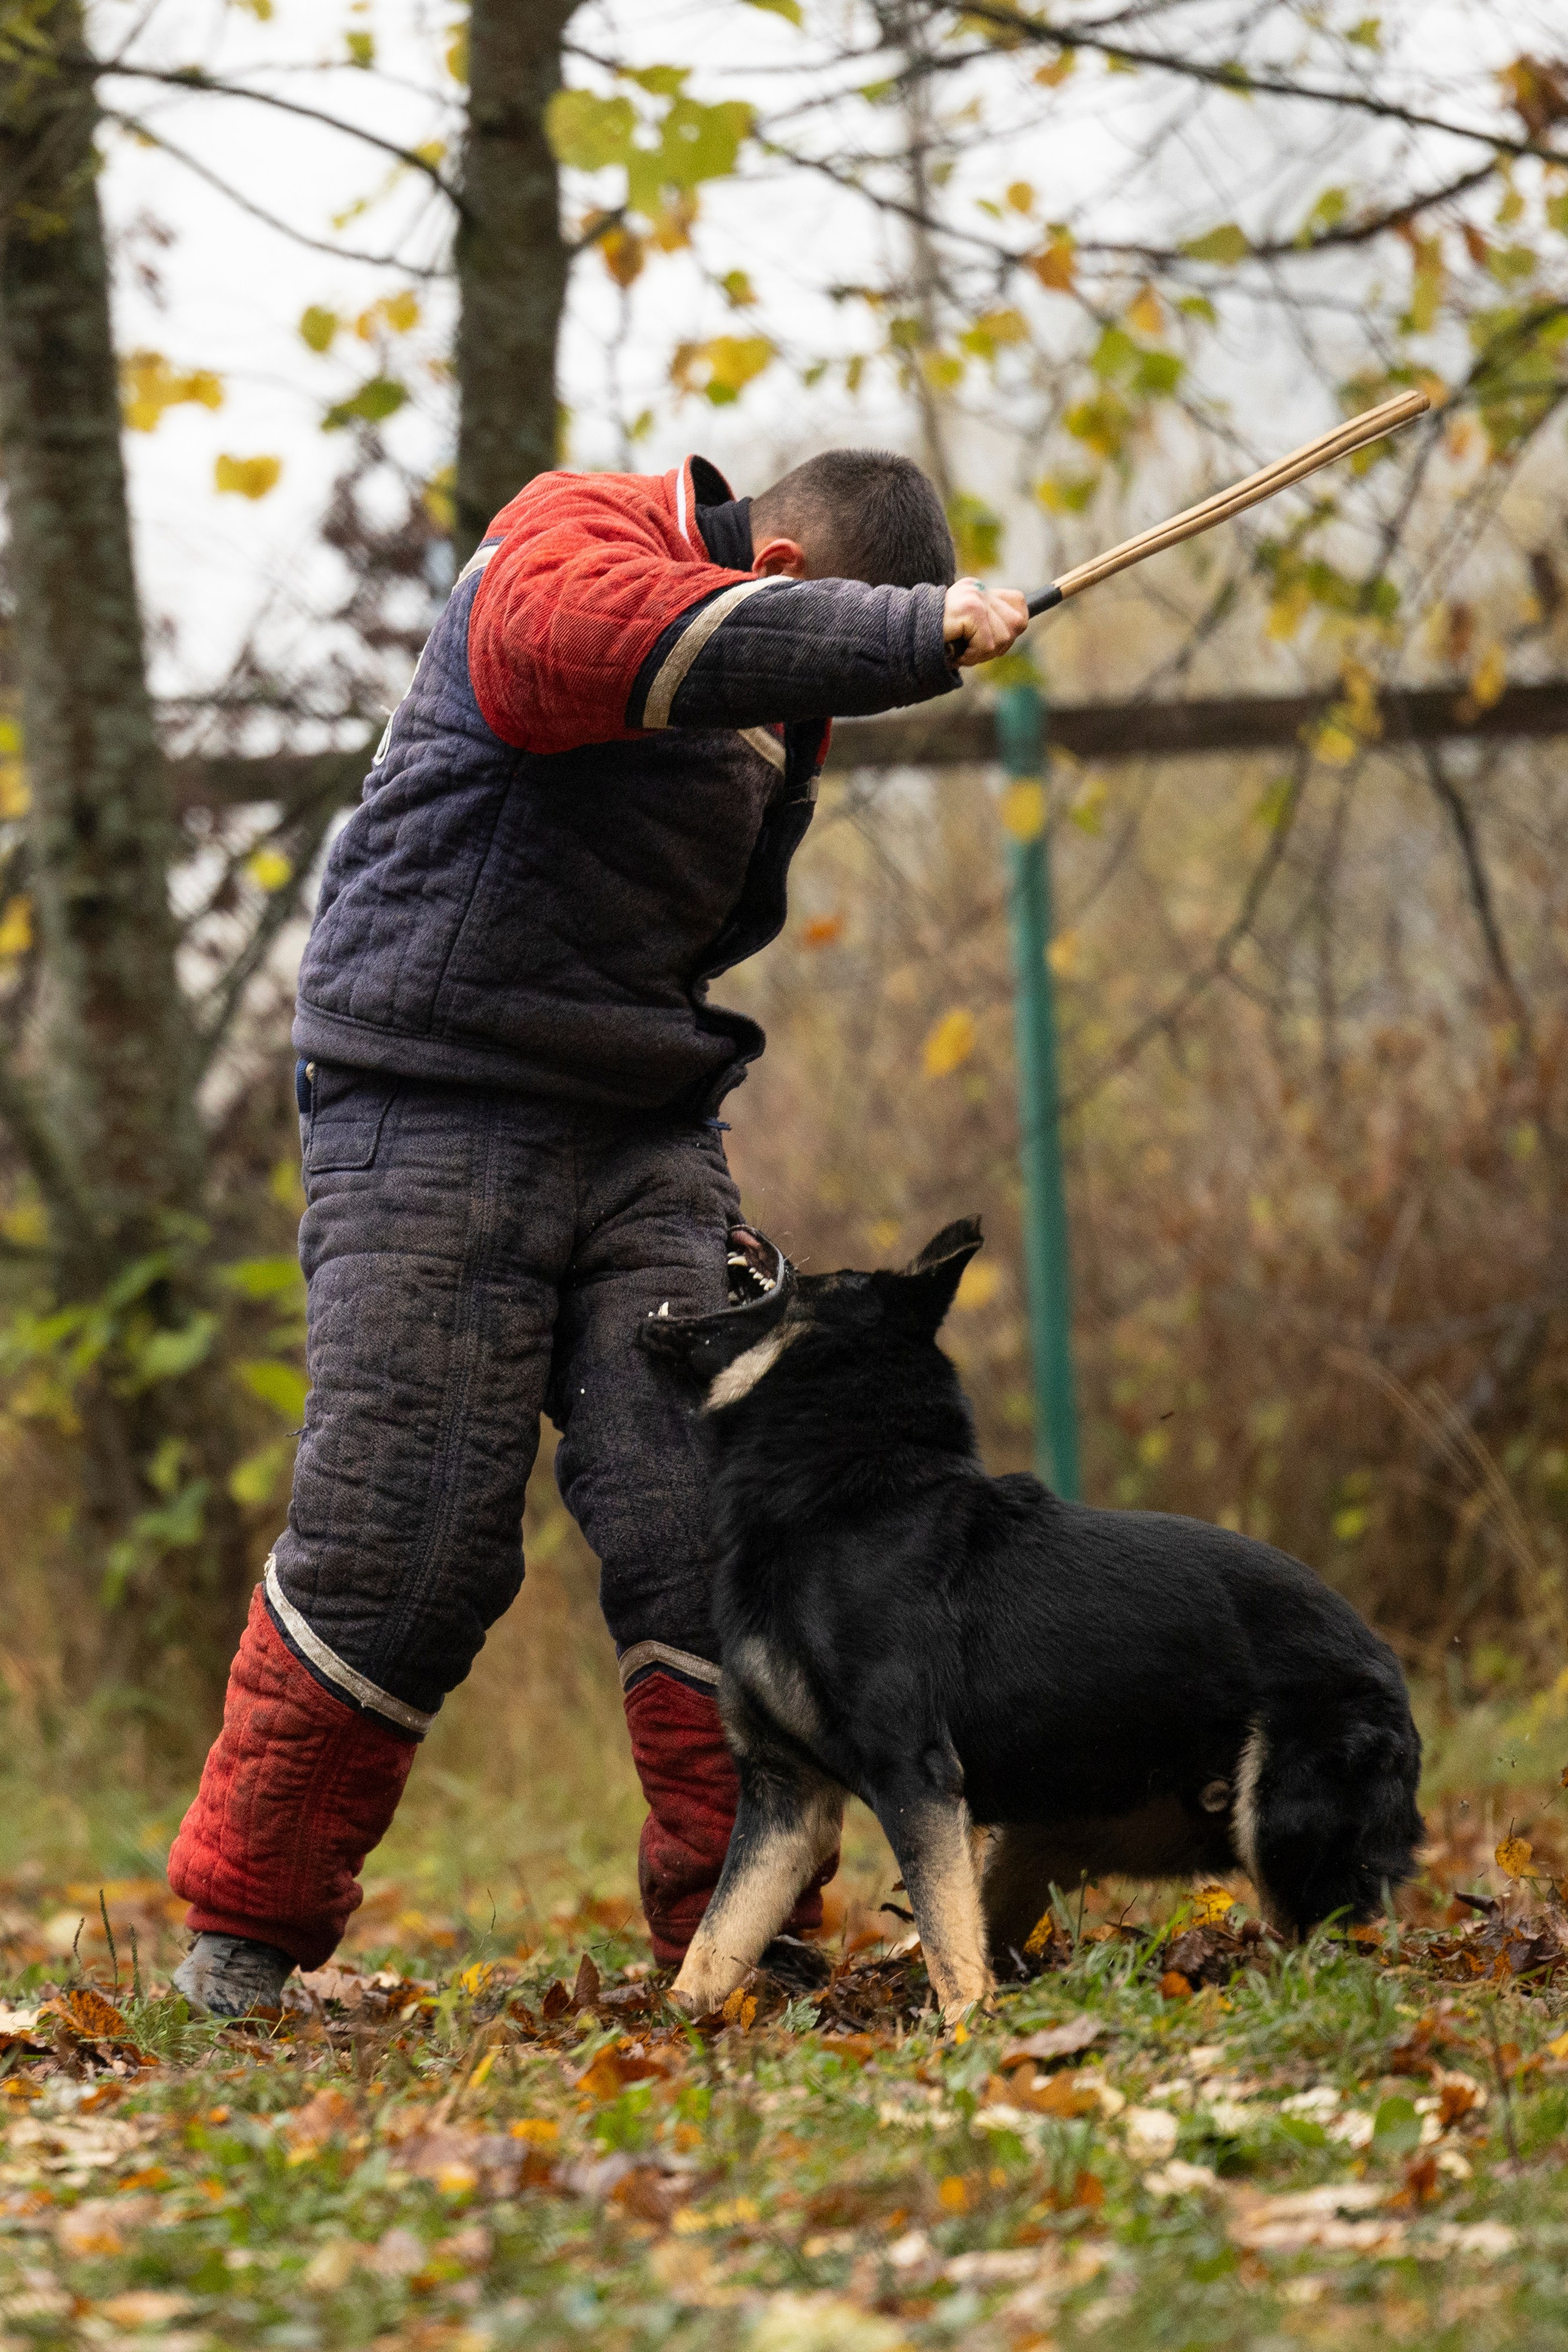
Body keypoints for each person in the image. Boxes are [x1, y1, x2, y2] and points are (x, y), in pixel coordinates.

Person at [167, 446, 1029, 2014]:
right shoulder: (563, 542)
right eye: (809, 630)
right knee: (406, 1535)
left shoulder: (790, 707)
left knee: (707, 1522)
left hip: (637, 1125)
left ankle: (739, 1937)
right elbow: (574, 650)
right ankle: (240, 1954)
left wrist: (877, 651)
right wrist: (908, 633)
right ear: (769, 574)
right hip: (425, 1095)